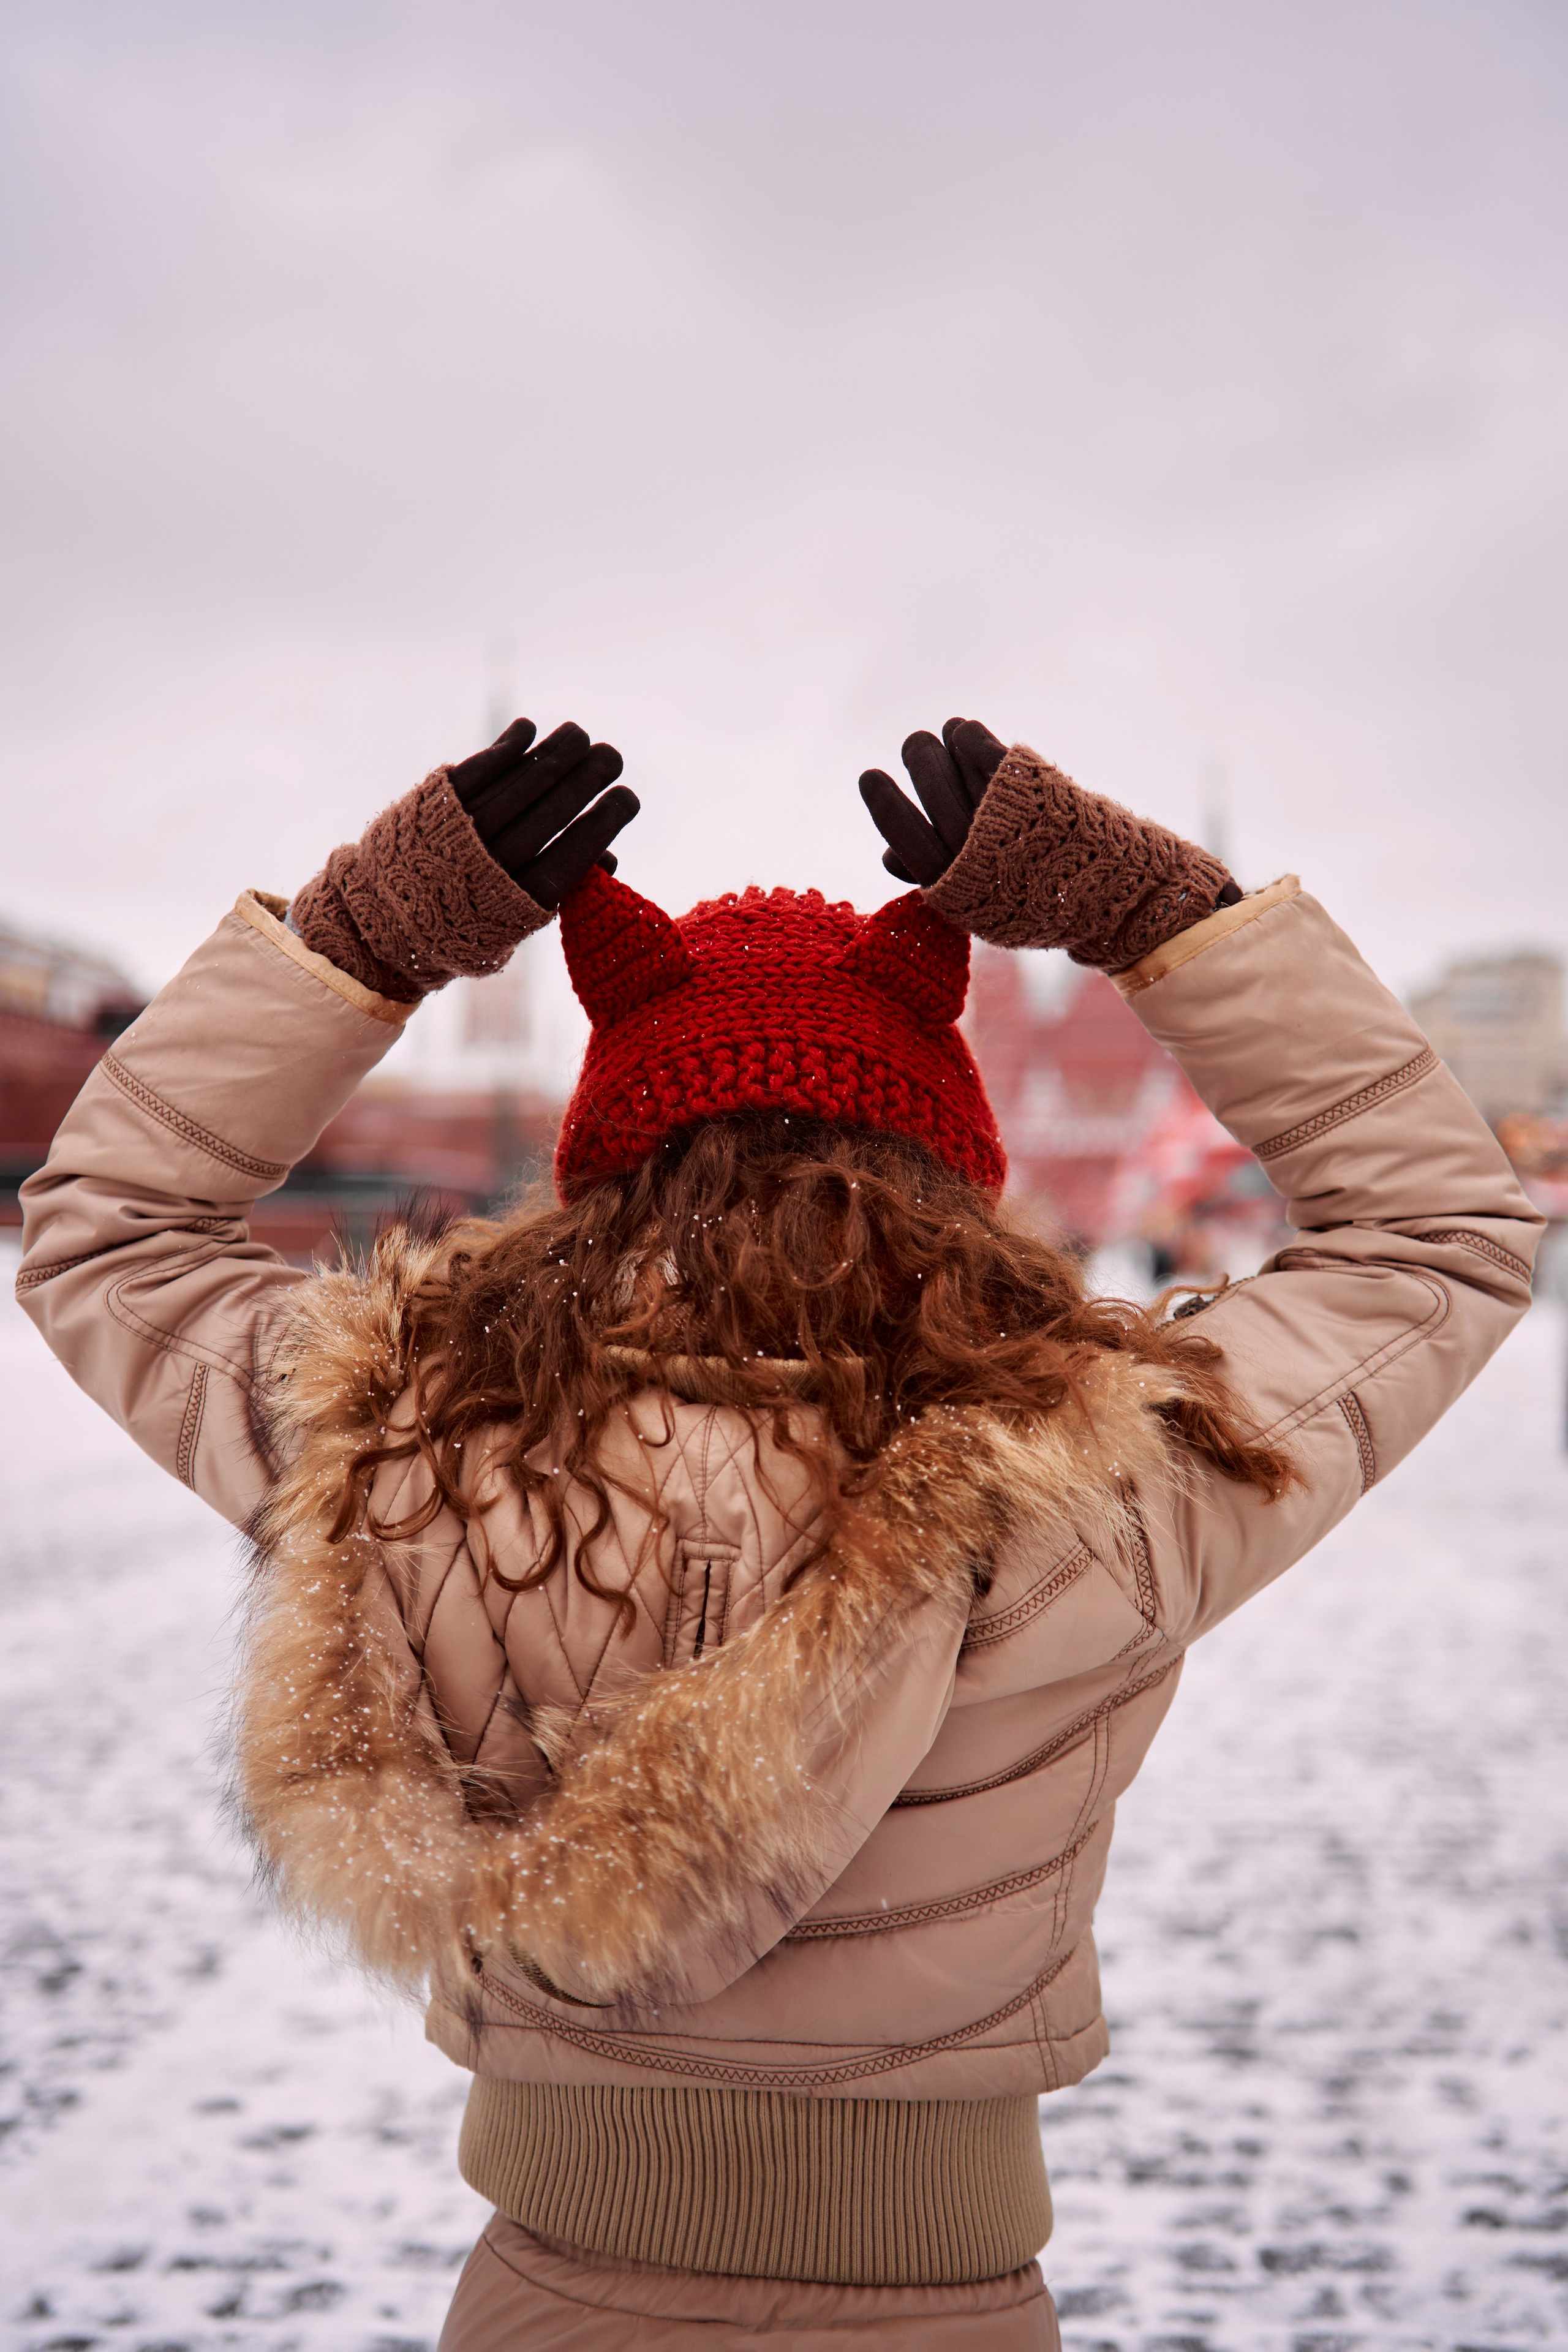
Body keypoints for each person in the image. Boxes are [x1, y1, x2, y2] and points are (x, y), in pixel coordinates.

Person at [17, 714, 1541, 2348]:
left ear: (608, 1158)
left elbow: (109, 1230)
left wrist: (369, 936)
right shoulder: (1098, 1466)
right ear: (946, 1159)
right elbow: (1438, 1232)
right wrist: (1155, 912)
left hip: (550, 2289)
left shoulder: (407, 1434)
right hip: (946, 2296)